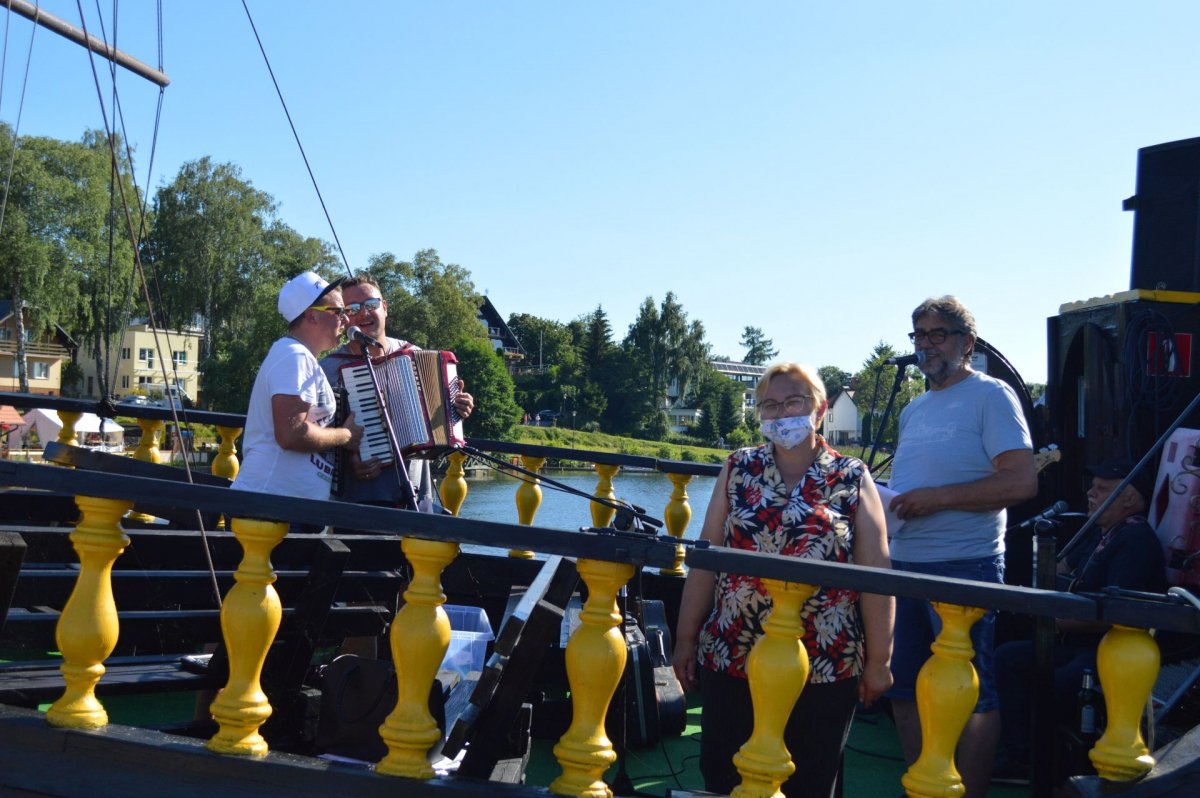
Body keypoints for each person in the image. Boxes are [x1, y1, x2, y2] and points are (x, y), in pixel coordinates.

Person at [671, 362, 894, 798]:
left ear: (820, 409)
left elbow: (876, 576)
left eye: (794, 402)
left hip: (825, 660)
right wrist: (685, 638)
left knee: (809, 779)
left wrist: (880, 660)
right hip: (734, 652)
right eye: (770, 405)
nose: (781, 413)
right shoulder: (738, 467)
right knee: (725, 773)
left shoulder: (852, 477)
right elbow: (705, 561)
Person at [886, 296, 1038, 798]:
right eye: (919, 335)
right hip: (902, 564)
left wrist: (937, 499)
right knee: (903, 686)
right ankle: (922, 786)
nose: (926, 345)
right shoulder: (913, 409)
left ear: (967, 342)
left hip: (965, 567)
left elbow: (1021, 482)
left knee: (972, 692)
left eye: (938, 334)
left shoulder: (992, 396)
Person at [992, 460, 1166, 782]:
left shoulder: (1135, 540)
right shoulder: (1098, 532)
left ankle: (1056, 766)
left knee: (1060, 681)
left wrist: (1058, 621)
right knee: (1008, 657)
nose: (1090, 494)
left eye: (1102, 489)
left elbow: (1119, 612)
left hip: (1109, 652)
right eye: (1092, 487)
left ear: (1130, 499)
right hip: (1074, 641)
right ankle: (1020, 757)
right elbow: (1059, 568)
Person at [319, 273, 474, 511]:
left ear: (385, 307)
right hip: (359, 503)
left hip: (417, 497)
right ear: (344, 317)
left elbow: (437, 424)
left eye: (371, 304)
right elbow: (315, 443)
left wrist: (456, 409)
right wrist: (349, 462)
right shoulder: (328, 370)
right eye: (352, 309)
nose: (364, 314)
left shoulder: (414, 355)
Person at [232, 271, 363, 503]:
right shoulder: (295, 356)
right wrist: (345, 435)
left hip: (282, 504)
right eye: (338, 312)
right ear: (312, 316)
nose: (346, 320)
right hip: (269, 504)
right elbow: (291, 435)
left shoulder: (299, 356)